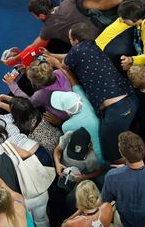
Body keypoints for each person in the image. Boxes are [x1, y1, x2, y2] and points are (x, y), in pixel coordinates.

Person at [52, 22, 138, 163]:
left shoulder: (77, 50)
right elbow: (69, 56)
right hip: (130, 99)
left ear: (76, 41)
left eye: (70, 40)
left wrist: (53, 61)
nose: (70, 42)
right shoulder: (92, 46)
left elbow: (64, 66)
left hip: (117, 111)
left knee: (112, 156)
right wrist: (51, 54)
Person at [50, 69, 104, 163]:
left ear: (67, 111)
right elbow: (75, 84)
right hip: (108, 152)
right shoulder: (83, 99)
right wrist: (63, 68)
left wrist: (58, 122)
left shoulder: (66, 126)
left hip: (94, 162)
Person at [0, 94, 62, 158]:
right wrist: (1, 99)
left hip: (51, 151)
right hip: (60, 138)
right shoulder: (35, 112)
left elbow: (17, 109)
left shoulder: (20, 126)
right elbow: (20, 106)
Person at [3, 58, 72, 123]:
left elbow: (27, 103)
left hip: (68, 118)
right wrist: (28, 72)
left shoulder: (41, 95)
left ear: (36, 84)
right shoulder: (59, 72)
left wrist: (12, 85)